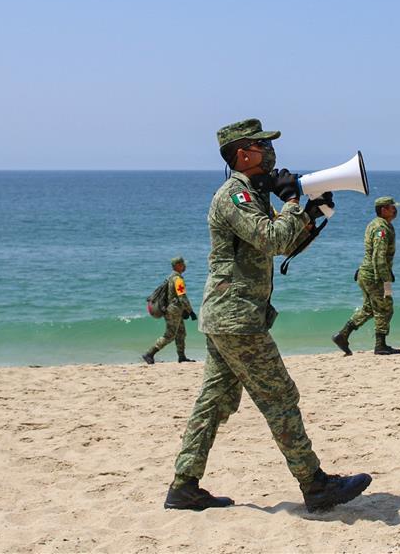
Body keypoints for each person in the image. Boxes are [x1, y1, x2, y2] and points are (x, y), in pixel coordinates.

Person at [163, 118, 372, 513]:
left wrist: (311, 214)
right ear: (242, 154)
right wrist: (292, 202)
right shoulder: (233, 196)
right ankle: (314, 484)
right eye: (261, 147)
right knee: (280, 397)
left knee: (214, 402)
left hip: (230, 316)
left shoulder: (252, 197)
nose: (270, 154)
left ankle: (184, 485)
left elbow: (284, 241)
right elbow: (272, 239)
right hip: (236, 318)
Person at [332, 196, 400, 356]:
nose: (395, 210)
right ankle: (381, 346)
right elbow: (378, 256)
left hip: (365, 273)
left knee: (369, 309)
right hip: (374, 275)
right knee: (385, 307)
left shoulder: (376, 224)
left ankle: (342, 335)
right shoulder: (381, 228)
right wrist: (385, 279)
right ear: (383, 210)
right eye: (392, 207)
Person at [143, 257, 197, 364]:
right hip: (174, 310)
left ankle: (181, 357)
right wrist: (190, 311)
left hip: (174, 309)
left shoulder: (171, 277)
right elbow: (182, 296)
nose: (184, 266)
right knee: (170, 335)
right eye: (182, 264)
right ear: (178, 265)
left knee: (181, 333)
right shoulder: (177, 279)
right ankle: (150, 353)